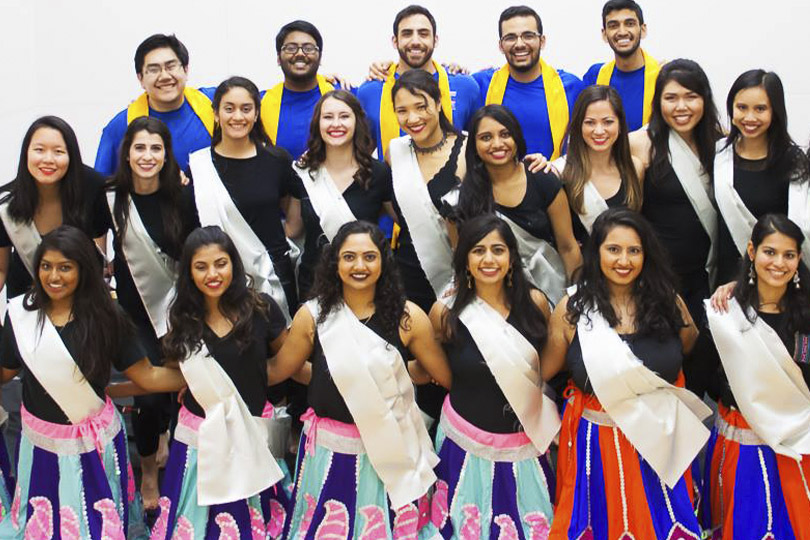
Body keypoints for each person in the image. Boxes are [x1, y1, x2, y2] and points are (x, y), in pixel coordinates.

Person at [0, 226, 186, 539]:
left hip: (92, 445)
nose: (54, 277)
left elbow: (146, 375)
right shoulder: (21, 315)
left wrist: (200, 379)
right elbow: (4, 373)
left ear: (84, 270)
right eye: (46, 267)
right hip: (40, 444)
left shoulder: (106, 316)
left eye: (65, 267)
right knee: (41, 524)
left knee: (96, 525)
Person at [269, 220, 450, 538]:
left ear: (383, 260)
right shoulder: (311, 316)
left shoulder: (408, 317)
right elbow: (283, 370)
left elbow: (439, 374)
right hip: (331, 452)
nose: (359, 266)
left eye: (369, 257)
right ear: (334, 262)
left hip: (392, 445)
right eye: (349, 257)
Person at [543, 208, 709, 539]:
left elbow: (689, 347)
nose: (624, 260)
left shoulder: (668, 303)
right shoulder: (572, 310)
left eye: (634, 250)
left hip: (660, 441)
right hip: (598, 449)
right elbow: (543, 373)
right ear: (596, 252)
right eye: (613, 249)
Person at [148, 226, 291, 539]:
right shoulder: (181, 318)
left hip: (252, 430)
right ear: (189, 272)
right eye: (201, 267)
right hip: (201, 438)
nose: (212, 274)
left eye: (221, 264)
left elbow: (288, 363)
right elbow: (176, 373)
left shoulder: (261, 308)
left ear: (234, 265)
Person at [429, 214, 558, 538]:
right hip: (463, 441)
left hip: (525, 442)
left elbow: (541, 369)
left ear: (512, 258)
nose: (489, 259)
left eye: (498, 250)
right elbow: (442, 374)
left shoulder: (536, 304)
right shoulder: (445, 313)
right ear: (465, 260)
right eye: (478, 250)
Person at [102, 116, 200, 511]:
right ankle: (146, 475)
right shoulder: (110, 197)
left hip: (180, 312)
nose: (147, 156)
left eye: (155, 148)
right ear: (127, 153)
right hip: (132, 314)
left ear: (166, 154)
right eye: (139, 148)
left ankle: (175, 464)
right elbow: (96, 248)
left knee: (184, 391)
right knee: (148, 398)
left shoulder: (183, 197)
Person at [699, 214, 810, 539]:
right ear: (751, 251)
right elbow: (702, 375)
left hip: (797, 447)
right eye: (769, 252)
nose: (779, 263)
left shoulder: (806, 316)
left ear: (798, 259)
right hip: (740, 448)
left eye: (788, 255)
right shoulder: (725, 314)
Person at [189, 76, 299, 319]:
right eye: (229, 109)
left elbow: (294, 216)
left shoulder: (277, 160)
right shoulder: (198, 166)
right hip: (218, 279)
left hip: (272, 276)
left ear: (257, 114)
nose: (237, 117)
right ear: (216, 114)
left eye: (246, 109)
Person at [630, 59, 724, 326]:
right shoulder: (642, 142)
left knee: (706, 359)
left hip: (710, 278)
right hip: (658, 279)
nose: (681, 107)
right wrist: (552, 165)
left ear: (704, 100)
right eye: (671, 97)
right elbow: (590, 155)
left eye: (690, 97)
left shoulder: (721, 144)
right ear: (658, 101)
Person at [457, 104, 582, 304]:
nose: (497, 144)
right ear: (474, 145)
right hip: (496, 298)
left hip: (553, 289)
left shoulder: (542, 179)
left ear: (517, 136)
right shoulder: (468, 194)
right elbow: (464, 258)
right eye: (486, 137)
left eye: (505, 134)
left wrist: (578, 298)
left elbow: (568, 246)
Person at [290, 89, 395, 300]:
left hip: (366, 284)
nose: (336, 124)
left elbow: (405, 222)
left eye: (344, 116)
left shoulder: (379, 173)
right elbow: (293, 230)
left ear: (357, 122)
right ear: (317, 124)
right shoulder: (302, 173)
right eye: (328, 117)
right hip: (313, 286)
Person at [714, 69, 810, 285]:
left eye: (760, 109)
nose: (749, 117)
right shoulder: (718, 154)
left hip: (780, 278)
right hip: (730, 281)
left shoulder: (794, 161)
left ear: (775, 111)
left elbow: (801, 225)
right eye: (741, 108)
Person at [0, 116, 108, 299]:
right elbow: (1, 269)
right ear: (26, 152)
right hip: (27, 305)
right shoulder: (6, 203)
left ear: (71, 156)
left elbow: (103, 237)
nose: (48, 159)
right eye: (39, 150)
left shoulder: (93, 187)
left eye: (58, 152)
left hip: (85, 304)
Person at [356, 4, 480, 158]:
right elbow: (360, 154)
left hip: (453, 180)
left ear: (435, 40)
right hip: (390, 180)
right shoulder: (370, 91)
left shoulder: (465, 86)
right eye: (407, 34)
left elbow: (478, 147)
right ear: (395, 41)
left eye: (423, 34)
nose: (415, 41)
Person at [95, 34, 216, 175]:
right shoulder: (121, 126)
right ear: (140, 78)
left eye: (171, 66)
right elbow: (101, 186)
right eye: (153, 69)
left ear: (185, 70)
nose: (164, 76)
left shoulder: (214, 102)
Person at [474, 5, 585, 159]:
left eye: (528, 35)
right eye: (510, 37)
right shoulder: (481, 85)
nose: (519, 44)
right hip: (496, 182)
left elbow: (587, 146)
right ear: (500, 45)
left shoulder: (572, 87)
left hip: (557, 180)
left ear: (542, 41)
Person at [556, 85, 643, 244]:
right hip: (579, 267)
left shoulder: (635, 168)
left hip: (623, 266)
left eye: (608, 122)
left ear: (621, 125)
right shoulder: (561, 172)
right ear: (578, 126)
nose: (599, 131)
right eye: (590, 123)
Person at [261, 20, 337, 160]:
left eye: (308, 48)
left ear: (320, 57)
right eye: (291, 48)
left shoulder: (343, 96)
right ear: (278, 58)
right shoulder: (259, 103)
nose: (300, 54)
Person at [582, 0, 660, 130]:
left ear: (643, 29)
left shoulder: (662, 76)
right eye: (613, 25)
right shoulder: (595, 76)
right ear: (604, 34)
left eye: (629, 24)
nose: (622, 31)